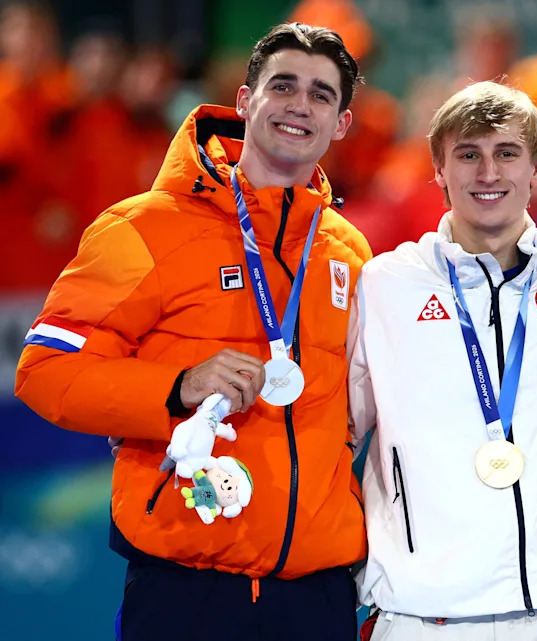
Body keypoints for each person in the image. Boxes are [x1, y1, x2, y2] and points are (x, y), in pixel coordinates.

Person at [14, 23, 370, 641]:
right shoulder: (144, 227)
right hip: (187, 584)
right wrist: (174, 386)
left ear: (341, 123)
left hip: (319, 590)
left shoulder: (351, 252)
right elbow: (44, 372)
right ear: (242, 102)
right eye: (282, 86)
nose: (299, 106)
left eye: (321, 94)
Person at [348, 80, 537, 640]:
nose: (488, 173)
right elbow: (333, 427)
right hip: (423, 619)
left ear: (536, 169)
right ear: (439, 170)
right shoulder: (385, 287)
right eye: (468, 154)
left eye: (507, 153)